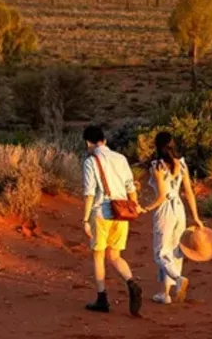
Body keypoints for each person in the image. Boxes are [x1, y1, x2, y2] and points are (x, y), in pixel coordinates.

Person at [81, 125, 143, 316]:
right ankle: (130, 282)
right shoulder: (121, 158)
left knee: (99, 256)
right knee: (115, 256)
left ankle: (102, 299)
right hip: (122, 213)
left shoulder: (91, 161)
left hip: (102, 213)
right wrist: (135, 205)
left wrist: (84, 219)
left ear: (88, 143)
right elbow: (130, 186)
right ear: (104, 140)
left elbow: (90, 194)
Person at [139, 131, 204, 305]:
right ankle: (164, 293)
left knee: (160, 252)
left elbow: (161, 196)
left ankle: (178, 278)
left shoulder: (157, 166)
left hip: (165, 209)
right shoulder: (181, 165)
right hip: (179, 210)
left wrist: (146, 208)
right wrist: (196, 217)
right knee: (175, 251)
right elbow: (189, 192)